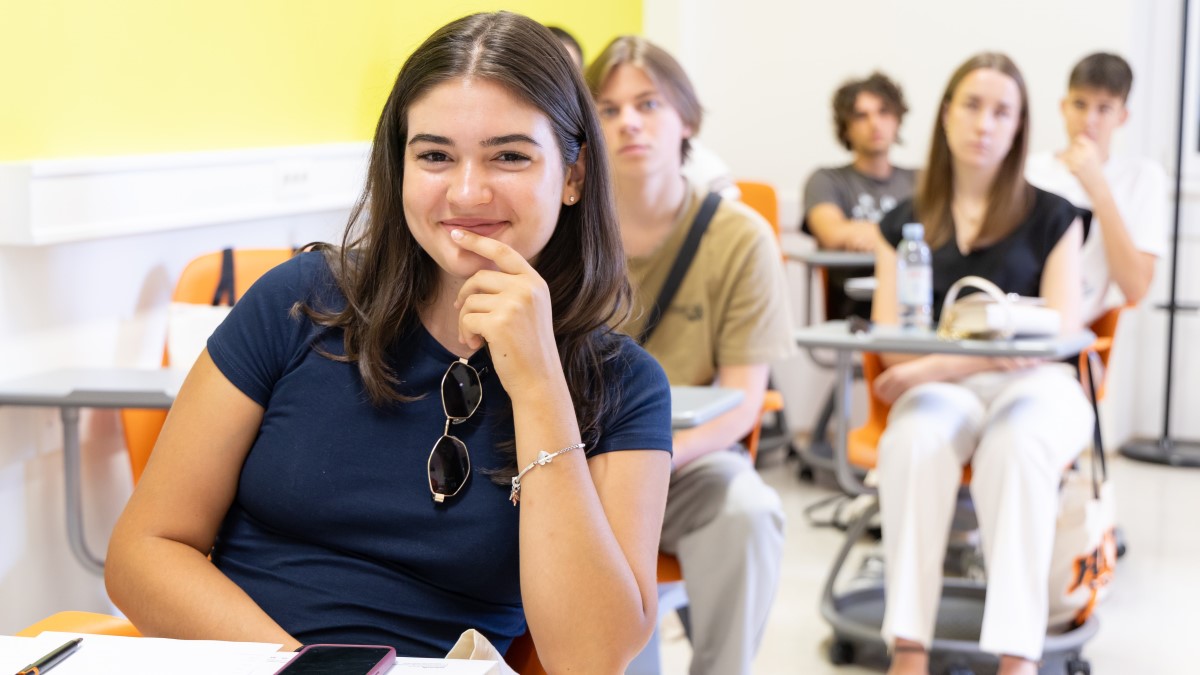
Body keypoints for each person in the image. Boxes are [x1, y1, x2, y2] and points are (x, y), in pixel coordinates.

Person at [105, 12, 674, 673]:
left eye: (510, 155)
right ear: (398, 166)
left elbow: (589, 657)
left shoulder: (622, 382)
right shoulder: (299, 302)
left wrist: (539, 382)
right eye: (434, 155)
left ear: (573, 176)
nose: (467, 191)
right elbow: (144, 548)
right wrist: (306, 667)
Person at [871, 53, 1093, 675]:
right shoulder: (904, 222)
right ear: (945, 115)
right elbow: (893, 345)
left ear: (1020, 126)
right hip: (943, 387)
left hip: (1039, 385)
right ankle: (908, 648)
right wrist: (936, 370)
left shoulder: (1055, 216)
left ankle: (1017, 656)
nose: (984, 123)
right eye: (971, 105)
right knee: (912, 438)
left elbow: (1055, 338)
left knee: (1017, 445)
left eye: (1002, 111)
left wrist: (934, 368)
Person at [587, 36, 792, 675]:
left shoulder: (738, 239)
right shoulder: (563, 232)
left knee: (751, 512)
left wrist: (651, 462)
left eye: (647, 103)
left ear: (686, 120)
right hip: (573, 463)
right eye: (609, 108)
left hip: (688, 463)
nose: (629, 123)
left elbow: (743, 401)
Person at [1026, 52, 1167, 325]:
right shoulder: (1030, 171)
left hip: (1077, 328)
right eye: (1080, 104)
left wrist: (1098, 188)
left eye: (1104, 109)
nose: (1089, 119)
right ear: (1063, 106)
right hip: (1020, 313)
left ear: (1122, 116)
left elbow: (1135, 289)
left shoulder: (1141, 177)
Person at [804, 72, 916, 319]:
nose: (875, 124)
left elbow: (940, 236)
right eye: (861, 115)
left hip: (915, 303)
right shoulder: (826, 180)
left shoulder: (920, 181)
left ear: (897, 120)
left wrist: (866, 235)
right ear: (846, 127)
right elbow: (832, 233)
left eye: (883, 112)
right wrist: (899, 238)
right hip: (852, 308)